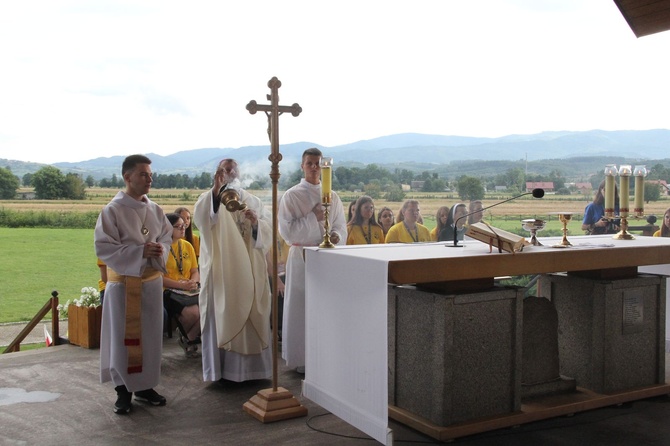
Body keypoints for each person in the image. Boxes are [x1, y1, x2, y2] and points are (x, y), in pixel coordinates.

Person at [94, 154, 172, 415]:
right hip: (124, 287)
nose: (149, 178)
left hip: (150, 285)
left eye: (150, 174)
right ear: (127, 177)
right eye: (143, 174)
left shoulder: (156, 209)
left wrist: (159, 250)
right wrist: (140, 252)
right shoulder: (112, 210)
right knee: (123, 339)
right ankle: (123, 391)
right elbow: (104, 248)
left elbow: (167, 238)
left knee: (149, 338)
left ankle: (146, 386)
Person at [193, 158, 273, 382]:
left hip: (251, 269)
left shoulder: (253, 200)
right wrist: (216, 193)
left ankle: (254, 372)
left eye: (233, 168)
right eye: (224, 169)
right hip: (223, 269)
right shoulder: (209, 198)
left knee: (252, 312)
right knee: (222, 308)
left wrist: (256, 223)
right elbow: (203, 220)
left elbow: (268, 230)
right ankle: (222, 372)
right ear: (218, 173)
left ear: (239, 171)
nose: (230, 171)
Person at [278, 147, 347, 373]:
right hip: (301, 258)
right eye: (310, 163)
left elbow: (339, 226)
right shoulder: (292, 195)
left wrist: (336, 236)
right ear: (302, 166)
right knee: (302, 307)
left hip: (326, 258)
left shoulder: (333, 197)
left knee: (325, 307)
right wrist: (313, 217)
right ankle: (303, 359)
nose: (315, 167)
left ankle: (326, 355)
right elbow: (288, 233)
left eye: (318, 163)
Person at [162, 212, 201, 358]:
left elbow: (195, 270)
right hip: (169, 290)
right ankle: (190, 338)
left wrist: (194, 281)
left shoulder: (187, 246)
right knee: (193, 314)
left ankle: (188, 338)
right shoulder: (162, 248)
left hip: (189, 289)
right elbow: (159, 278)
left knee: (208, 308)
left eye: (183, 226)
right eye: (177, 227)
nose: (182, 229)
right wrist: (181, 285)